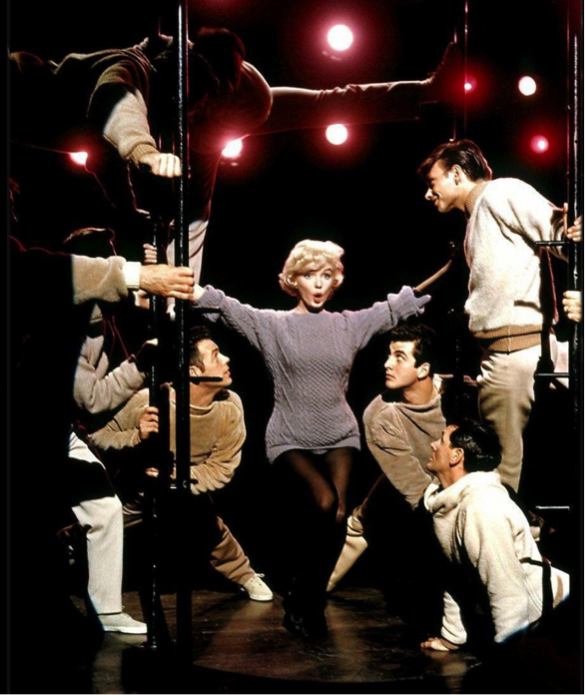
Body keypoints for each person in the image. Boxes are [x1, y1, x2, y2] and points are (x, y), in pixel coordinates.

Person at [10, 32, 460, 279]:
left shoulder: (226, 110)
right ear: (201, 102)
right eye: (207, 129)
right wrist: (143, 152)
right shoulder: (143, 67)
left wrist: (425, 91)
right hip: (23, 93)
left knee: (195, 209)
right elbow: (114, 100)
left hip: (84, 138)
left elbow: (328, 101)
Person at [193, 239, 429, 637]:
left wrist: (452, 267)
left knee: (338, 514)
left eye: (325, 276)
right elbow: (226, 308)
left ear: (334, 281)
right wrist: (185, 285)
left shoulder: (347, 324)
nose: (318, 284)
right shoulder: (273, 325)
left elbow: (396, 307)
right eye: (309, 276)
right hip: (290, 434)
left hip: (339, 431)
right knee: (323, 502)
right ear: (293, 280)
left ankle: (309, 600)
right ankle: (303, 592)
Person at [418, 139, 582, 491]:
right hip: (505, 353)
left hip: (513, 351)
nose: (428, 194)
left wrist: (574, 230)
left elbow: (559, 236)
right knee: (507, 466)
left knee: (500, 472)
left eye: (433, 183)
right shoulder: (478, 214)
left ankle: (508, 526)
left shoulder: (499, 193)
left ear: (457, 174)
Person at [88, 328, 274, 602]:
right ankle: (71, 551)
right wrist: (136, 435)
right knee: (103, 525)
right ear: (194, 371)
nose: (226, 359)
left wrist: (175, 475)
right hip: (138, 490)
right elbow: (97, 437)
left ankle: (244, 574)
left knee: (211, 527)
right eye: (215, 355)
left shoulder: (230, 407)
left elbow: (222, 468)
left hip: (187, 488)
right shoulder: (151, 400)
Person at [421, 419, 569, 651]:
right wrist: (452, 636)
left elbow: (506, 589)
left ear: (456, 456)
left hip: (559, 614)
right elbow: (455, 574)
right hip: (533, 620)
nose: (433, 445)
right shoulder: (450, 503)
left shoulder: (482, 506)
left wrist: (509, 655)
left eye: (441, 440)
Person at [327, 322, 446, 591]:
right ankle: (315, 584)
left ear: (423, 369)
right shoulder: (380, 416)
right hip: (421, 491)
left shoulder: (456, 395)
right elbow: (415, 489)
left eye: (399, 357)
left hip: (463, 484)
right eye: (389, 355)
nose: (387, 364)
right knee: (366, 519)